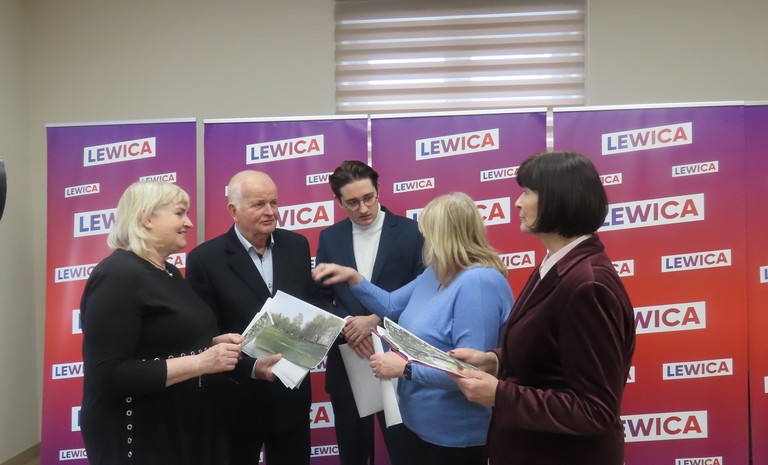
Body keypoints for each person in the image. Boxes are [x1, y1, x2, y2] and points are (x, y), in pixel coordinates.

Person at [450, 151, 636, 465]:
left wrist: (500, 394)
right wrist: (494, 361)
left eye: (527, 192)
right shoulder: (558, 266)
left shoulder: (588, 285)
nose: (517, 203)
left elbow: (596, 411)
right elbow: (550, 359)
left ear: (558, 199)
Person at [313, 192, 514, 465]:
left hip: (456, 436)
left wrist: (405, 369)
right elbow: (390, 305)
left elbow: (470, 372)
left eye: (428, 232)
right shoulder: (436, 271)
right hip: (418, 425)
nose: (424, 240)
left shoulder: (479, 283)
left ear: (444, 235)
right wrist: (354, 278)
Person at [80, 181, 244, 465]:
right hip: (138, 439)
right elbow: (109, 374)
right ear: (146, 218)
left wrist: (210, 344)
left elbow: (164, 339)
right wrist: (202, 362)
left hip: (178, 431)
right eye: (179, 213)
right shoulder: (116, 275)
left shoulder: (168, 272)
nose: (189, 223)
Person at [185, 170, 317, 465]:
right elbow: (202, 334)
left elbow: (308, 303)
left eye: (274, 202)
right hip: (236, 401)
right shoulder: (204, 259)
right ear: (233, 211)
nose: (270, 211)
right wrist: (250, 367)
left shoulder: (297, 245)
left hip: (290, 397)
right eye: (259, 204)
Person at [316, 160, 424, 465]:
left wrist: (376, 320)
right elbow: (318, 299)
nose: (363, 208)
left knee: (407, 453)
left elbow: (425, 292)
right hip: (349, 360)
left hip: (400, 358)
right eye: (352, 202)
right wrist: (347, 326)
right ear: (338, 202)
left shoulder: (411, 232)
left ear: (379, 190)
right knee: (352, 454)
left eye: (368, 198)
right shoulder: (330, 238)